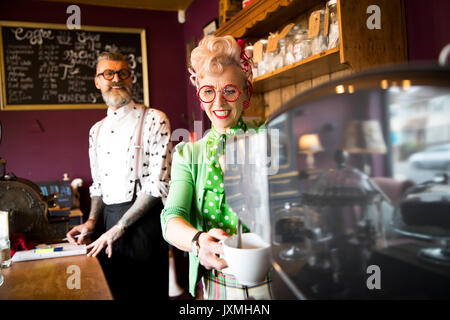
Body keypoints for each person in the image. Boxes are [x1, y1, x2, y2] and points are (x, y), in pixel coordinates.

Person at [161, 35, 271, 300]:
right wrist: (198, 242)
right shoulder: (188, 154)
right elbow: (171, 218)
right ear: (200, 96)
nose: (218, 103)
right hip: (218, 280)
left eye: (229, 90)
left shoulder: (269, 139)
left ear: (246, 92)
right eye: (209, 91)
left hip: (273, 276)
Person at [66, 51, 172, 300]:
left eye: (122, 73)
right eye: (108, 73)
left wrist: (119, 228)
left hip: (145, 226)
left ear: (131, 79)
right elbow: (98, 186)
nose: (116, 79)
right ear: (98, 81)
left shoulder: (155, 119)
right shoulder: (96, 131)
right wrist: (92, 222)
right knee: (113, 292)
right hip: (107, 226)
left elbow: (158, 185)